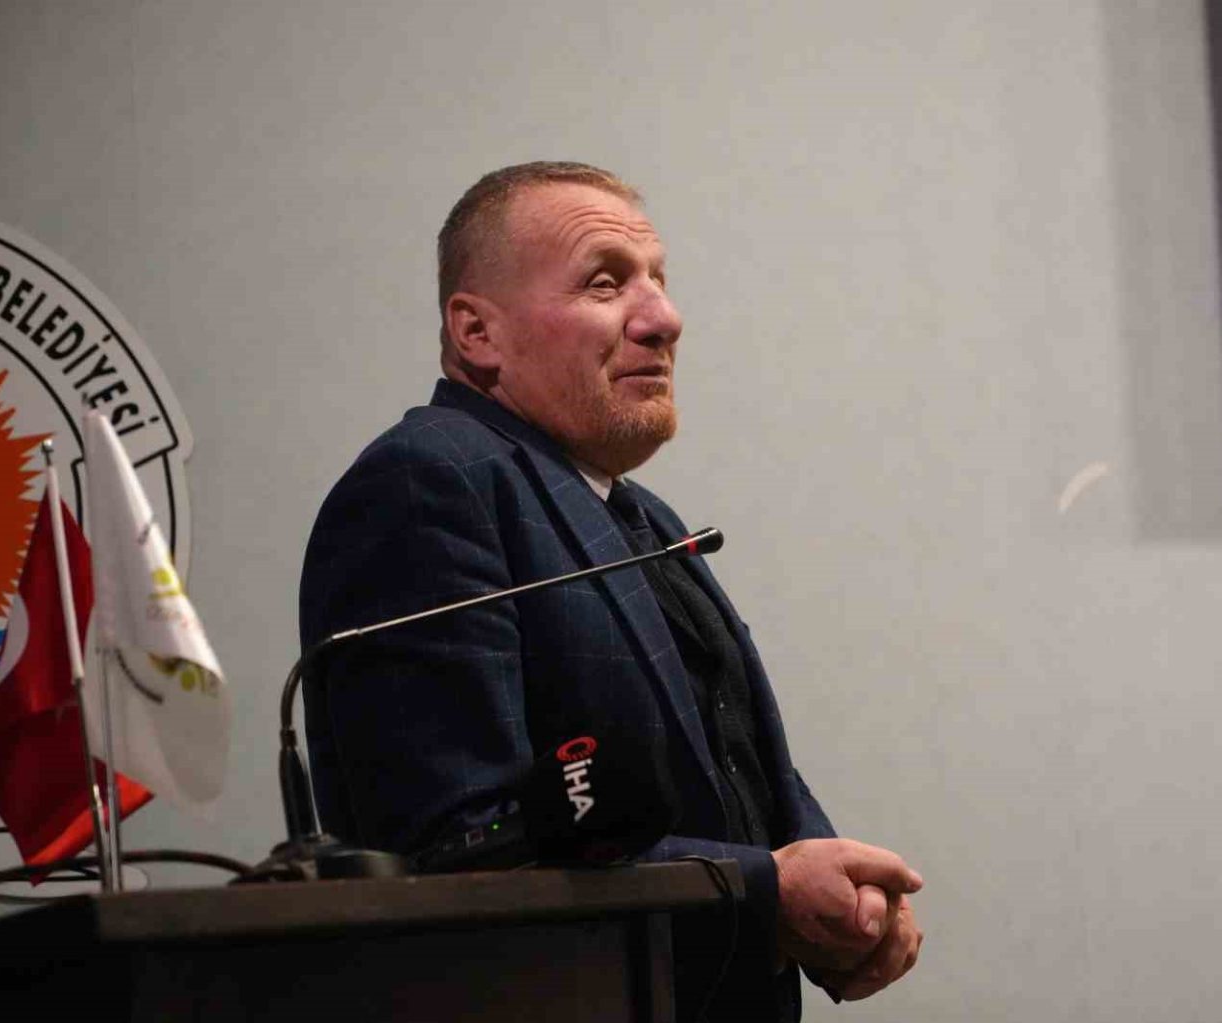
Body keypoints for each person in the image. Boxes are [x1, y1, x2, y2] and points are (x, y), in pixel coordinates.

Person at [299, 162, 922, 1020]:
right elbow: (449, 846)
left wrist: (842, 896)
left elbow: (729, 760)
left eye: (658, 279)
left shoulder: (642, 514)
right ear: (477, 331)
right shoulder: (427, 482)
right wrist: (762, 891)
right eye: (604, 283)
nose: (664, 318)